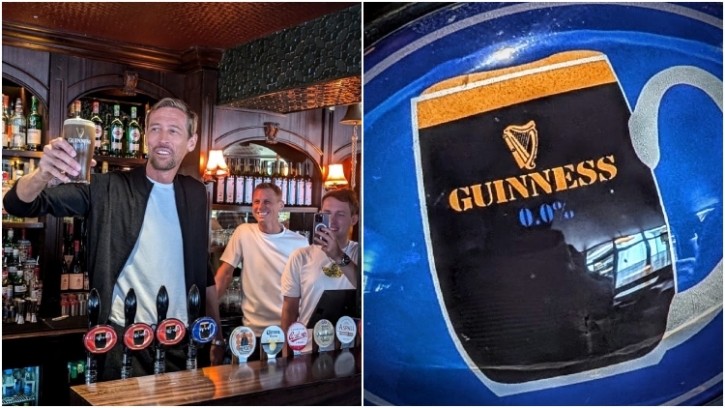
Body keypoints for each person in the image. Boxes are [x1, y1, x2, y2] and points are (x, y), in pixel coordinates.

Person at [2, 97, 225, 379]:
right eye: (155, 129)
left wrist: (214, 333)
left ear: (191, 142)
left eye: (174, 130)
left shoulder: (195, 193)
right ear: (145, 138)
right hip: (124, 341)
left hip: (184, 341)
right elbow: (19, 204)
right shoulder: (108, 187)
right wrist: (42, 174)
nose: (162, 138)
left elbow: (202, 270)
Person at [215, 182, 308, 359]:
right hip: (252, 331)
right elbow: (225, 274)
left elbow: (306, 288)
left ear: (280, 206)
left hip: (286, 330)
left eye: (267, 202)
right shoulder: (243, 232)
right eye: (256, 201)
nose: (260, 207)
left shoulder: (300, 243)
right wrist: (209, 309)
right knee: (251, 383)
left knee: (285, 383)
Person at [281, 189, 360, 354]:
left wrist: (338, 255)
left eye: (340, 214)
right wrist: (286, 353)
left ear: (354, 219)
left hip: (351, 348)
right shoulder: (301, 256)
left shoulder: (361, 253)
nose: (332, 220)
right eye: (327, 213)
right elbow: (289, 309)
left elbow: (365, 287)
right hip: (307, 349)